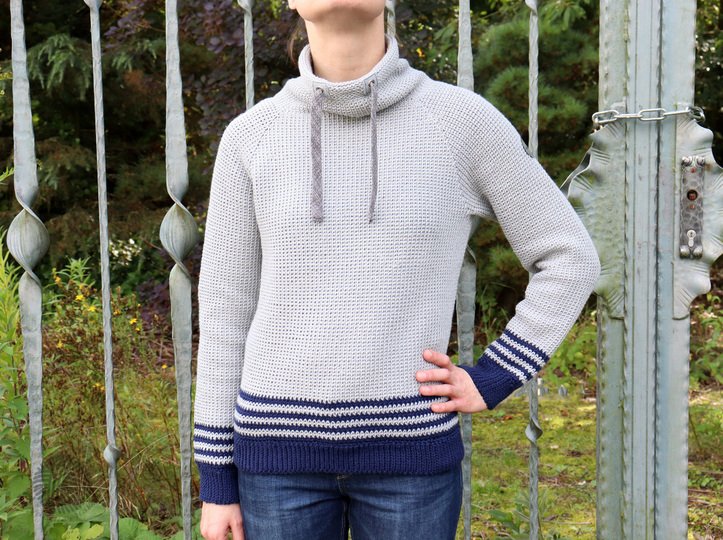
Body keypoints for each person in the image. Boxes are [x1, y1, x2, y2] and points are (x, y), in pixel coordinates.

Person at [193, 1, 601, 539]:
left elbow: (569, 256)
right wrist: (217, 480)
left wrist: (495, 375)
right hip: (275, 460)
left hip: (410, 459)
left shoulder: (462, 123)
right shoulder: (251, 137)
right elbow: (225, 313)